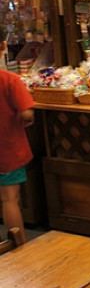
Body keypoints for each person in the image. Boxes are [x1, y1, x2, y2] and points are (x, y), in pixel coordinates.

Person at [0, 25, 34, 241]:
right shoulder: (9, 80)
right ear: (4, 45)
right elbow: (26, 112)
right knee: (10, 199)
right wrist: (28, 117)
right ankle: (19, 245)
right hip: (8, 150)